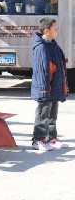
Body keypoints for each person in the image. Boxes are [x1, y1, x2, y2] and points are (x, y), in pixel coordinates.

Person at [30, 18, 69, 151]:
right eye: (55, 29)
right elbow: (42, 70)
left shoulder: (53, 45)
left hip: (54, 87)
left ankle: (51, 138)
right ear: (46, 31)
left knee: (52, 115)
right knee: (43, 114)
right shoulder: (41, 47)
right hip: (46, 88)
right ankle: (38, 139)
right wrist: (43, 90)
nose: (57, 31)